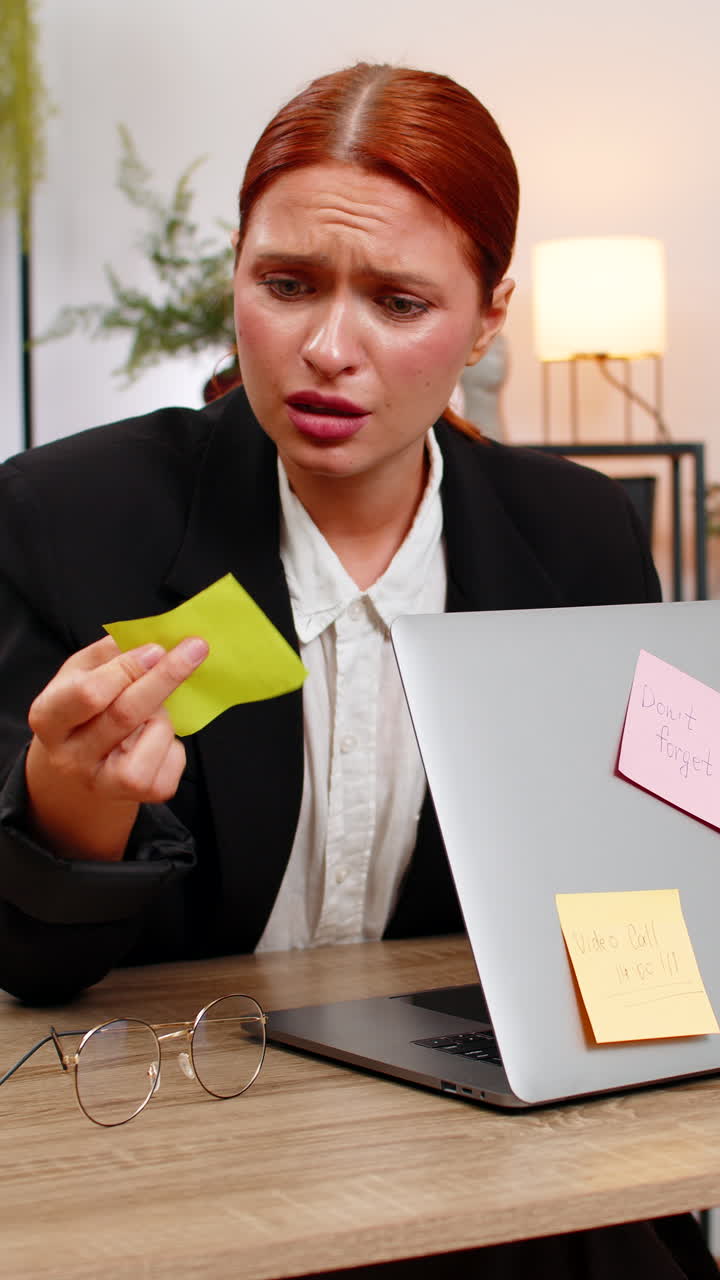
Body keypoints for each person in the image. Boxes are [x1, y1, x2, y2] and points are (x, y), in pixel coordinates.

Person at [0, 63, 715, 1278]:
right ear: (237, 273)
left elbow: (629, 923)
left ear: (490, 315)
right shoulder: (75, 515)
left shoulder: (579, 536)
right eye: (287, 285)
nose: (328, 347)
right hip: (181, 1146)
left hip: (489, 1161)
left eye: (397, 300)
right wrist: (77, 805)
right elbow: (35, 967)